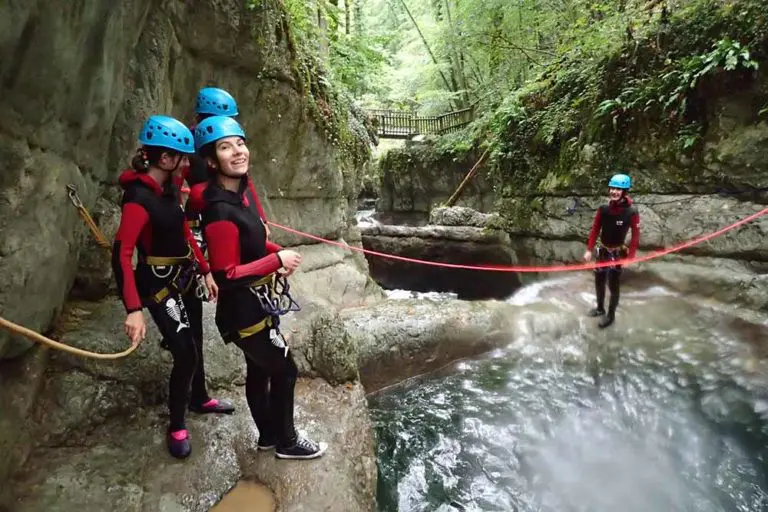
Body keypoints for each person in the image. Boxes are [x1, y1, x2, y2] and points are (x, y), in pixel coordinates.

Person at [190, 115, 327, 460]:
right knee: (285, 370)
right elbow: (226, 273)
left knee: (260, 368)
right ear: (211, 160)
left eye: (240, 143)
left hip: (254, 305)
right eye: (225, 147)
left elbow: (251, 242)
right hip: (243, 312)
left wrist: (275, 251)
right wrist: (275, 263)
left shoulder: (238, 199)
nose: (237, 152)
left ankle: (268, 435)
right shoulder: (221, 211)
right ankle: (288, 441)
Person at [112, 115, 221, 459]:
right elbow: (122, 254)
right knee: (185, 351)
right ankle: (177, 424)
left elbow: (184, 234)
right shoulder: (138, 200)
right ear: (165, 159)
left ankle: (199, 397)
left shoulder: (170, 191)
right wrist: (133, 309)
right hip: (160, 287)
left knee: (197, 340)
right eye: (182, 158)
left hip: (186, 277)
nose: (188, 164)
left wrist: (205, 271)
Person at [582, 173, 640, 328]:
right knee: (599, 281)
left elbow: (635, 236)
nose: (614, 191)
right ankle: (600, 308)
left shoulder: (631, 212)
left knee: (613, 285)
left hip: (618, 253)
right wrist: (589, 249)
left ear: (624, 191)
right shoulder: (604, 209)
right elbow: (595, 230)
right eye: (612, 188)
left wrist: (631, 257)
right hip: (603, 252)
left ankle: (611, 315)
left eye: (618, 189)